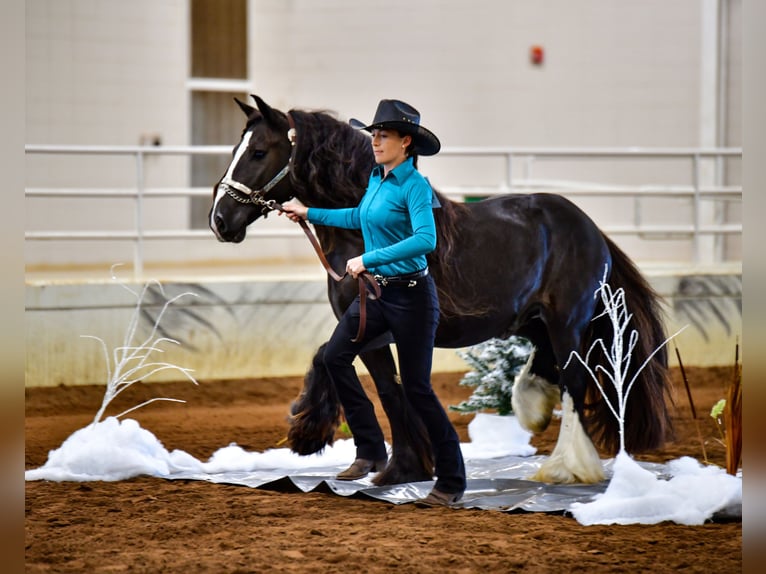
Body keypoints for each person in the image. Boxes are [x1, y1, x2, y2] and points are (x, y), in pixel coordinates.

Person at [281, 99, 466, 506]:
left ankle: (452, 481)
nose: (375, 141)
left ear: (406, 142)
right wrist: (308, 212)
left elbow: (425, 240)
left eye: (383, 136)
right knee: (334, 357)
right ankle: (370, 447)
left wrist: (368, 258)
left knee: (418, 389)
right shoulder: (376, 180)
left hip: (412, 299)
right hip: (378, 296)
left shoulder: (414, 186)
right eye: (373, 134)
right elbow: (358, 218)